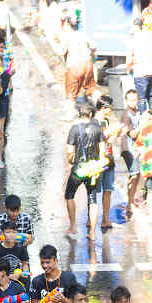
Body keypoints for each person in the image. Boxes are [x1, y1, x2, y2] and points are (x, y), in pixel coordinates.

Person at [63, 102, 105, 238]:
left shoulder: (74, 129)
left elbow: (69, 151)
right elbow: (102, 151)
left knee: (69, 195)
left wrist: (70, 161)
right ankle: (92, 232)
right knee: (92, 199)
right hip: (93, 170)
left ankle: (73, 226)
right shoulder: (98, 128)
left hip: (79, 169)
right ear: (91, 114)